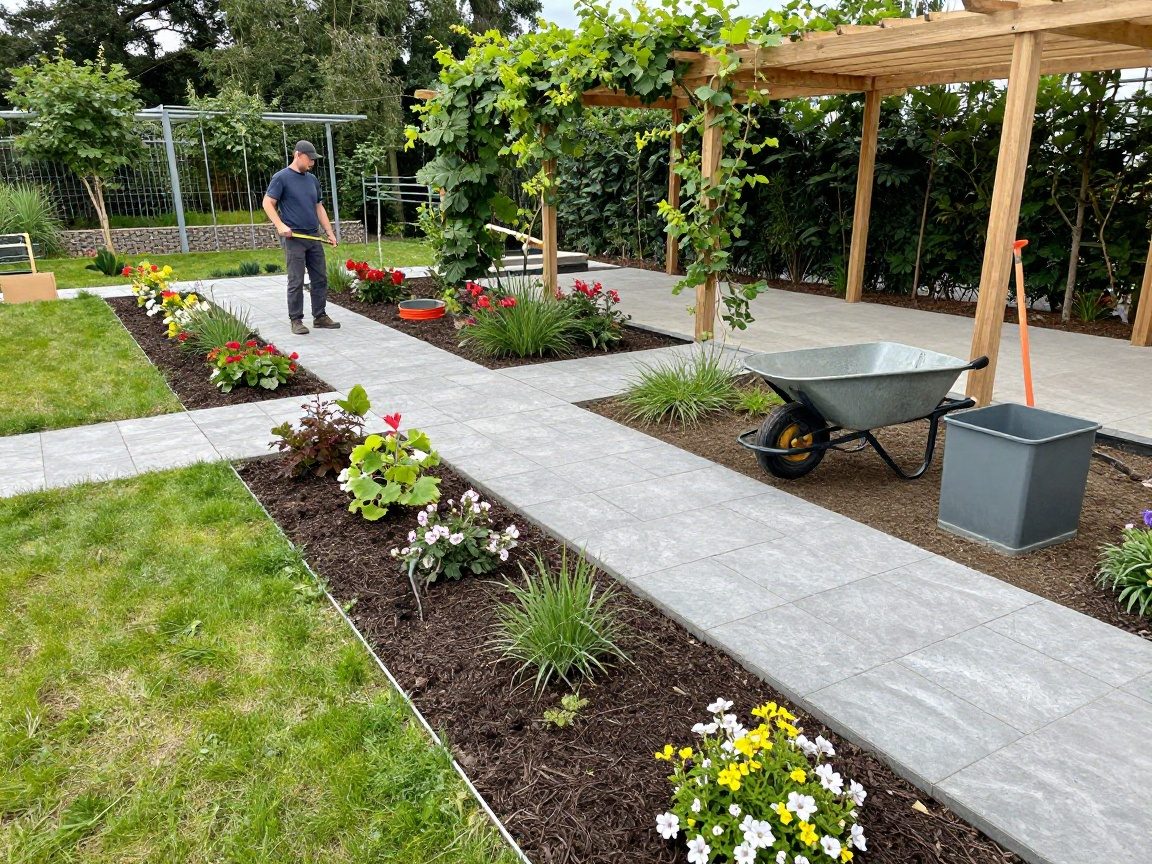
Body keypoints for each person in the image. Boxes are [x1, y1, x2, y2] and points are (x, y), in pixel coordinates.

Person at [262, 140, 341, 334]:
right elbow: (267, 202)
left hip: (313, 236)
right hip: (294, 238)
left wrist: (329, 232)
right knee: (296, 280)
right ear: (298, 154)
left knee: (320, 278)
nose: (312, 162)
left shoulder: (312, 179)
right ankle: (296, 319)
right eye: (310, 158)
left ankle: (320, 316)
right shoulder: (281, 178)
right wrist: (280, 225)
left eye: (314, 159)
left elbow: (318, 207)